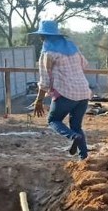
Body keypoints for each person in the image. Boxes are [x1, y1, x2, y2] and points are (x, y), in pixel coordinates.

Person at [30, 20, 93, 160]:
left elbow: (45, 80)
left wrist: (38, 100)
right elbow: (85, 64)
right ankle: (84, 157)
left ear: (43, 36)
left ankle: (73, 136)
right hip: (83, 91)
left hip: (66, 92)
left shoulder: (48, 53)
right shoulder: (72, 46)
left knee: (53, 120)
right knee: (76, 125)